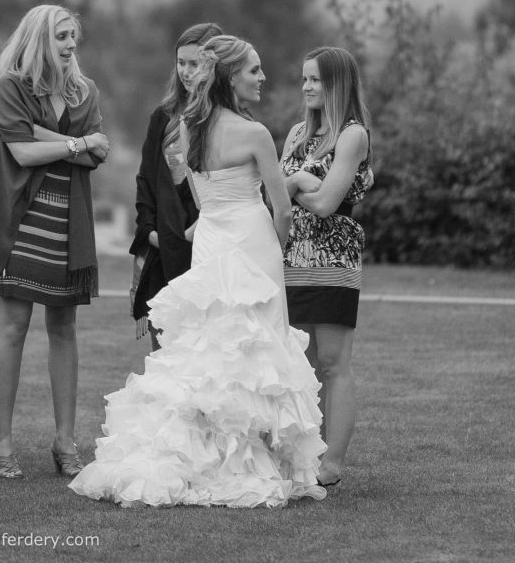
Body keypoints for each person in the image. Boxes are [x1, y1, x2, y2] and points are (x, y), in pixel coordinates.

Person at [70, 35, 327, 508]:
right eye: (254, 70)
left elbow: (207, 199)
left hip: (211, 240)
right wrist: (281, 241)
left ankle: (202, 453)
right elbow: (281, 208)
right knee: (257, 348)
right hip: (252, 242)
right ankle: (249, 459)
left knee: (211, 347)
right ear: (231, 77)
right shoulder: (254, 134)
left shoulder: (190, 129)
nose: (262, 77)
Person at [0, 4, 109, 480]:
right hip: (18, 219)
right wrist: (76, 143)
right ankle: (2, 444)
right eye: (62, 37)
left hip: (67, 223)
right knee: (13, 325)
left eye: (74, 36)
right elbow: (22, 151)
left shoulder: (85, 92)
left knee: (64, 327)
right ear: (39, 40)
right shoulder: (12, 85)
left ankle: (65, 443)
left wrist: (57, 141)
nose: (71, 45)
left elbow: (99, 154)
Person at [280, 46, 373, 488]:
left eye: (315, 79)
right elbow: (275, 196)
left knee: (334, 363)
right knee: (300, 361)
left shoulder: (352, 135)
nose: (307, 87)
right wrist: (299, 183)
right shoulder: (297, 133)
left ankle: (331, 465)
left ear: (337, 83)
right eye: (304, 79)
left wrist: (296, 183)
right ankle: (302, 453)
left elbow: (326, 203)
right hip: (290, 257)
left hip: (333, 258)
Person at [129, 22, 223, 350]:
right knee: (165, 356)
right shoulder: (163, 118)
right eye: (180, 62)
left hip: (209, 249)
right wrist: (151, 231)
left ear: (214, 65)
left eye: (193, 63)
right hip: (162, 250)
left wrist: (201, 230)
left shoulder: (225, 121)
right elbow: (146, 181)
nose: (185, 71)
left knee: (207, 354)